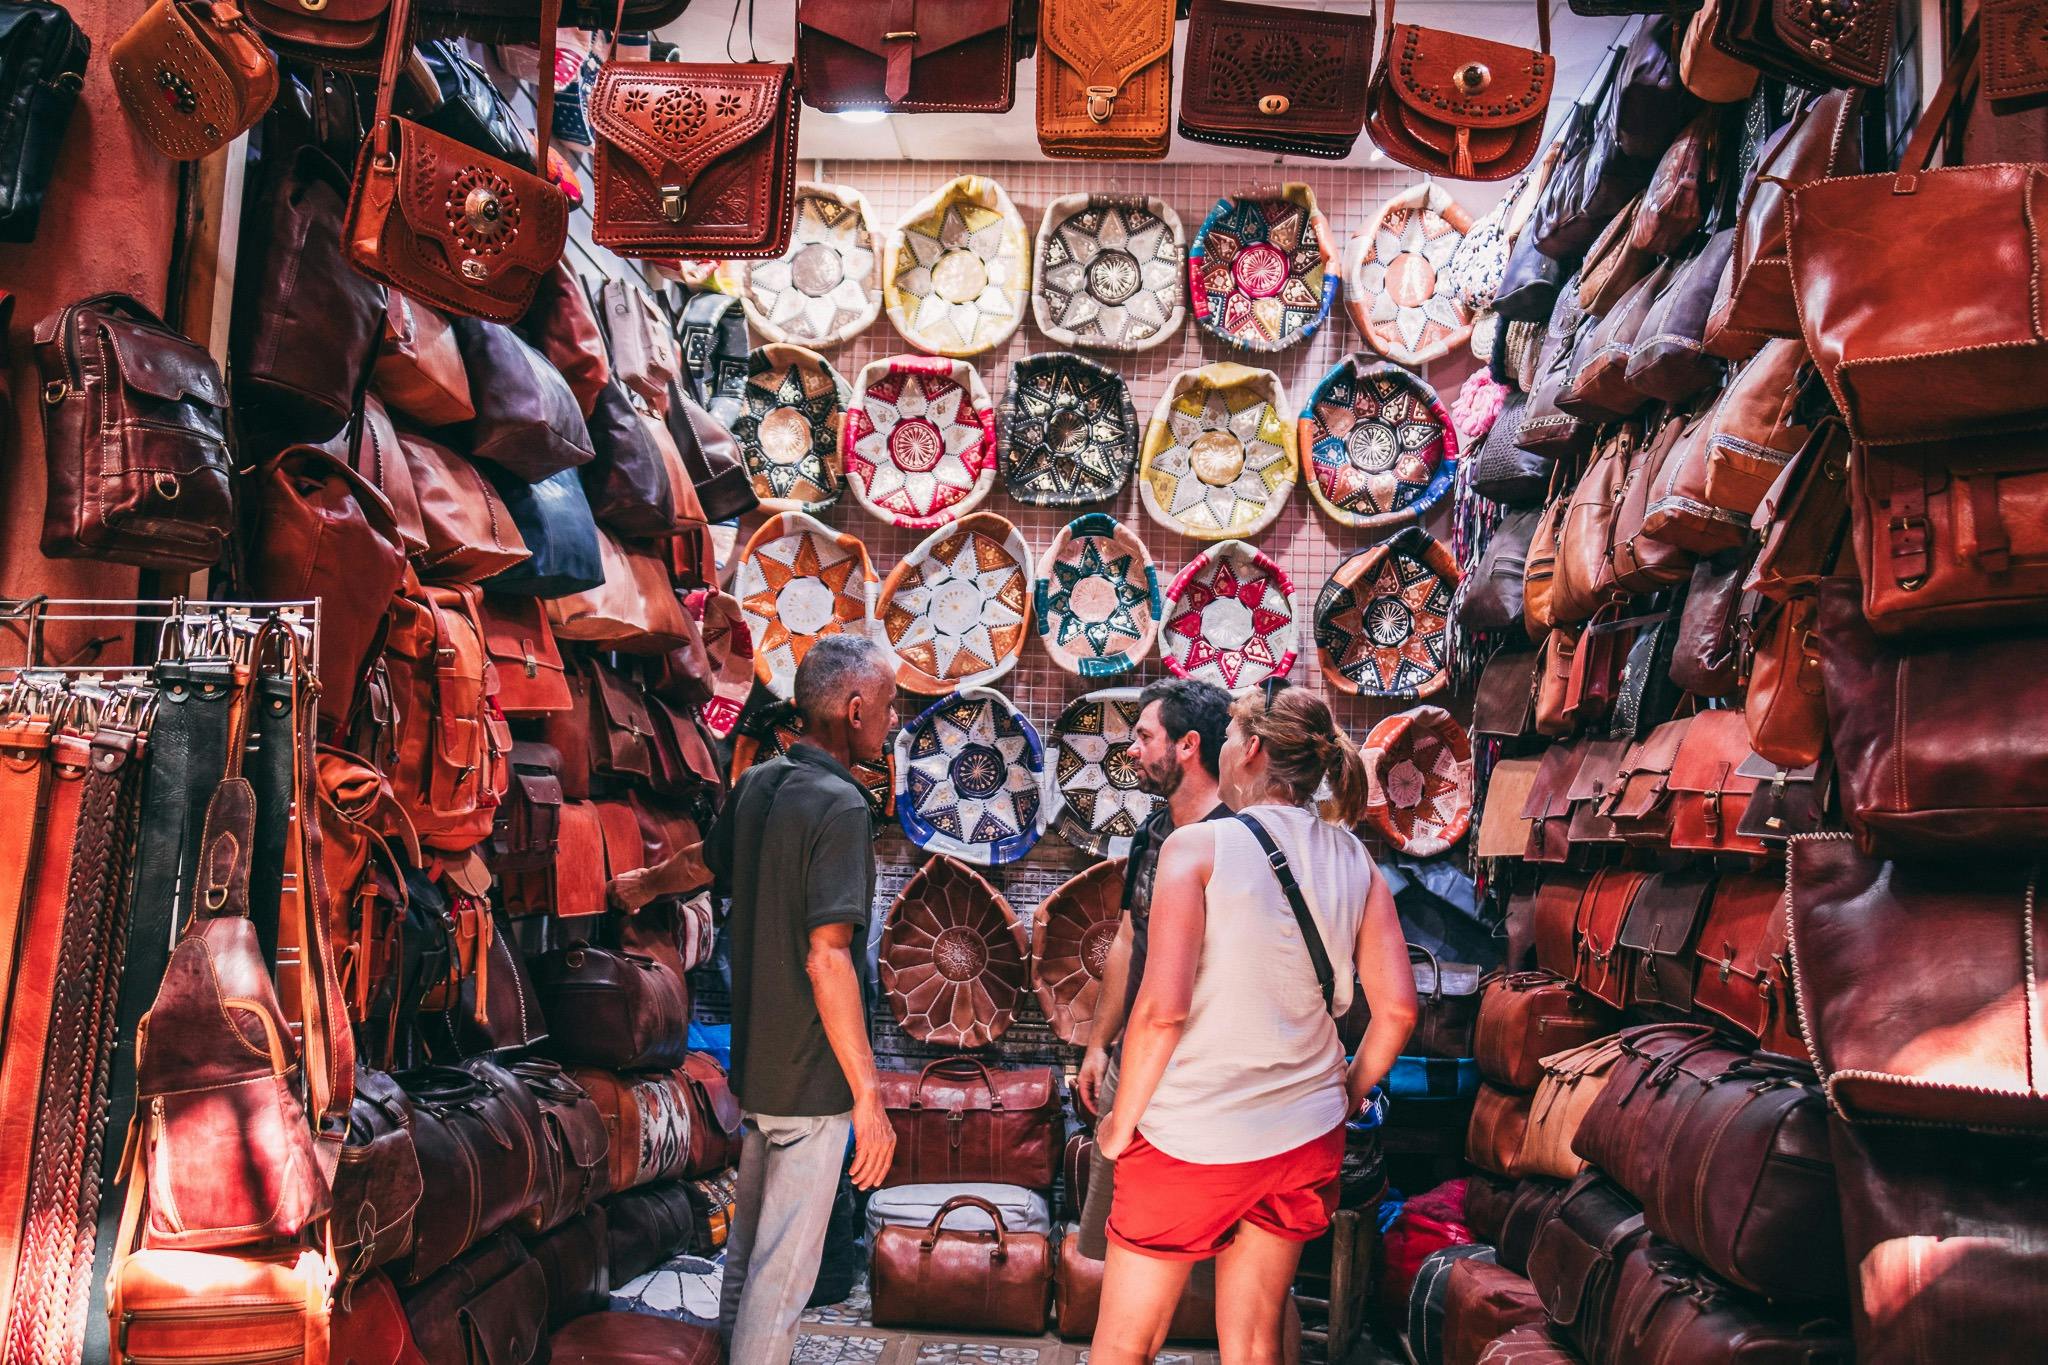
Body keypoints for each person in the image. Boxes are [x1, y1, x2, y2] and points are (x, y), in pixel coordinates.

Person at [1092, 686, 1419, 1365]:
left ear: (1253, 750)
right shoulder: (1354, 857)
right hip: (1303, 1138)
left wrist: (1120, 1125)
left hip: (1191, 1137)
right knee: (1254, 1338)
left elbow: (1162, 1012)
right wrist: (1351, 1090)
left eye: (1232, 733)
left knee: (1126, 1343)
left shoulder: (1196, 848)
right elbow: (1396, 1009)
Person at [691, 634, 900, 1365]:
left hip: (756, 1070)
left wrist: (637, 887)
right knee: (782, 1282)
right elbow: (828, 956)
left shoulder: (758, 784)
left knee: (748, 1263)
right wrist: (868, 1098)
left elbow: (704, 864)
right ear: (852, 709)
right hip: (812, 1082)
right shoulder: (841, 805)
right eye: (888, 704)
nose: (894, 719)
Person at [1075, 677, 1233, 1265]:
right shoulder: (1153, 832)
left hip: (1205, 1068)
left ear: (1187, 746)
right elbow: (1127, 936)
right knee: (1109, 1220)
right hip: (1134, 1055)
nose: (1132, 750)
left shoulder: (1236, 839)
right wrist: (1099, 1046)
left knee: (1197, 1225)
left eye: (1144, 736)